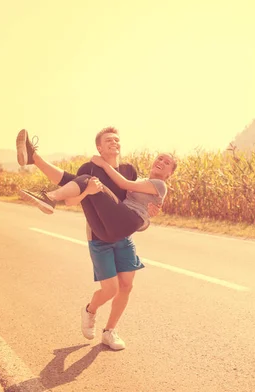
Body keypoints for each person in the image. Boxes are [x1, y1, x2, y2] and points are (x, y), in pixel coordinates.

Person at [15, 127, 159, 351]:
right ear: (99, 148)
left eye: (116, 139)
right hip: (99, 233)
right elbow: (70, 196)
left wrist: (149, 211)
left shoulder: (129, 171)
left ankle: (110, 331)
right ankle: (90, 310)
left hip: (122, 235)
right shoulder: (89, 168)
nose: (114, 142)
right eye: (108, 140)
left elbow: (136, 197)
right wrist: (88, 191)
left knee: (126, 286)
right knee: (110, 289)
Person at [19, 152, 176, 242]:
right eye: (160, 158)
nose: (161, 161)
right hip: (107, 233)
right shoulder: (142, 180)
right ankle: (36, 160)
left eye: (167, 162)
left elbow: (124, 184)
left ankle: (50, 196)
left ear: (169, 173)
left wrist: (103, 164)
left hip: (127, 221)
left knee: (89, 180)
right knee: (86, 185)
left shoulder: (160, 185)